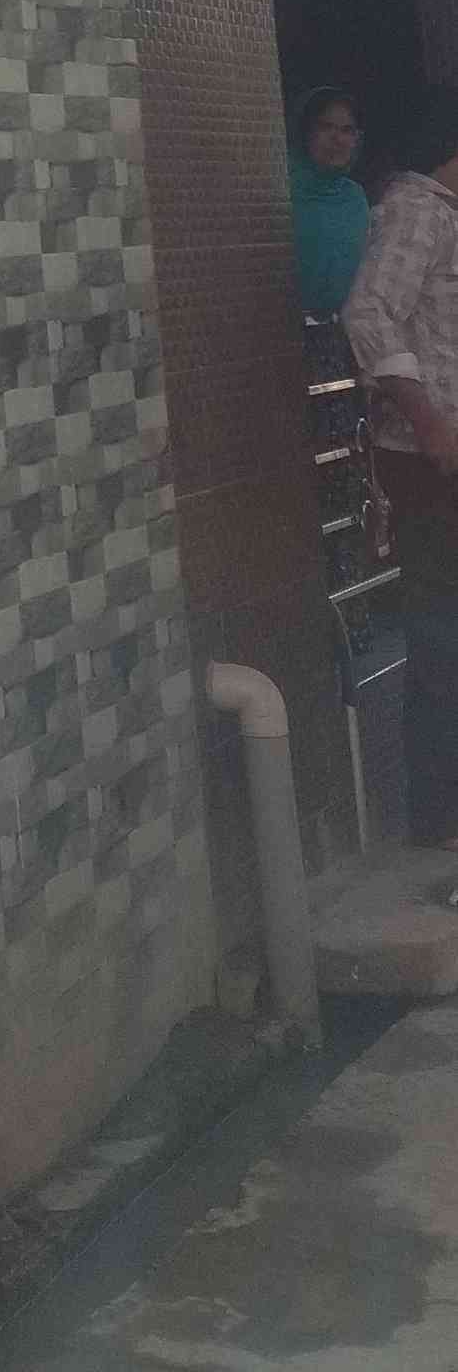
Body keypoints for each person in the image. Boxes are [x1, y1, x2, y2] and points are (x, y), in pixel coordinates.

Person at [345, 92, 458, 839]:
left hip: (439, 452)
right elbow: (368, 311)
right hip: (431, 459)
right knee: (443, 629)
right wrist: (430, 421)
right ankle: (439, 814)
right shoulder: (420, 212)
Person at [288, 85, 370, 318]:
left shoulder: (354, 197)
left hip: (344, 331)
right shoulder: (279, 191)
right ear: (304, 133)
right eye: (325, 127)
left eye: (347, 130)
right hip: (276, 328)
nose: (337, 139)